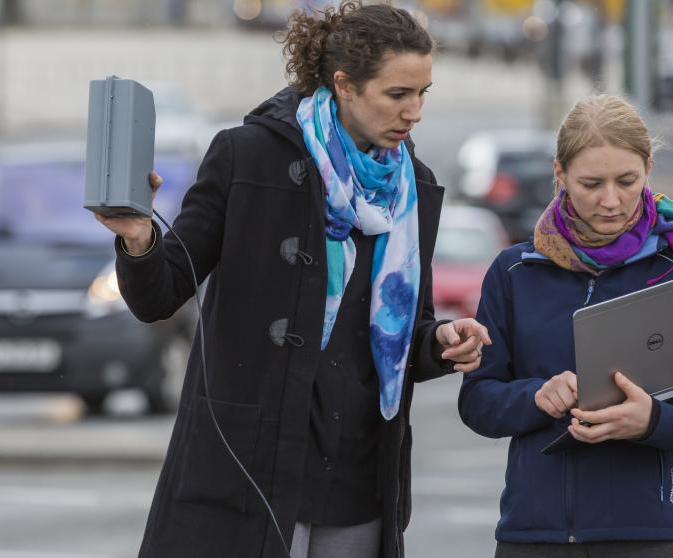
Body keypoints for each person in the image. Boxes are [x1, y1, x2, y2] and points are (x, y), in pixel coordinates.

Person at [95, 3, 490, 557]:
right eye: (398, 94)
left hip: (358, 475)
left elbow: (404, 331)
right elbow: (160, 293)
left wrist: (440, 342)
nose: (415, 111)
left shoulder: (411, 187)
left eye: (424, 93)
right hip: (249, 469)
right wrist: (139, 239)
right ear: (345, 85)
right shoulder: (246, 155)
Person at [458, 94, 673, 558]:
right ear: (560, 174)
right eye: (591, 183)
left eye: (627, 181)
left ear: (649, 169)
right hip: (537, 535)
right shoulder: (515, 271)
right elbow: (478, 400)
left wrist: (652, 421)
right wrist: (535, 397)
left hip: (659, 535)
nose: (611, 201)